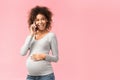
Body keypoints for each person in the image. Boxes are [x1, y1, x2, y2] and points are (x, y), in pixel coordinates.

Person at [20, 6, 59, 80]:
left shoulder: (51, 36)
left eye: (43, 19)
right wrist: (31, 34)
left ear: (47, 20)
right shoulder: (30, 37)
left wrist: (43, 56)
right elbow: (22, 53)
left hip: (46, 76)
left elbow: (56, 58)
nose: (40, 22)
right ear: (34, 22)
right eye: (37, 20)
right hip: (30, 76)